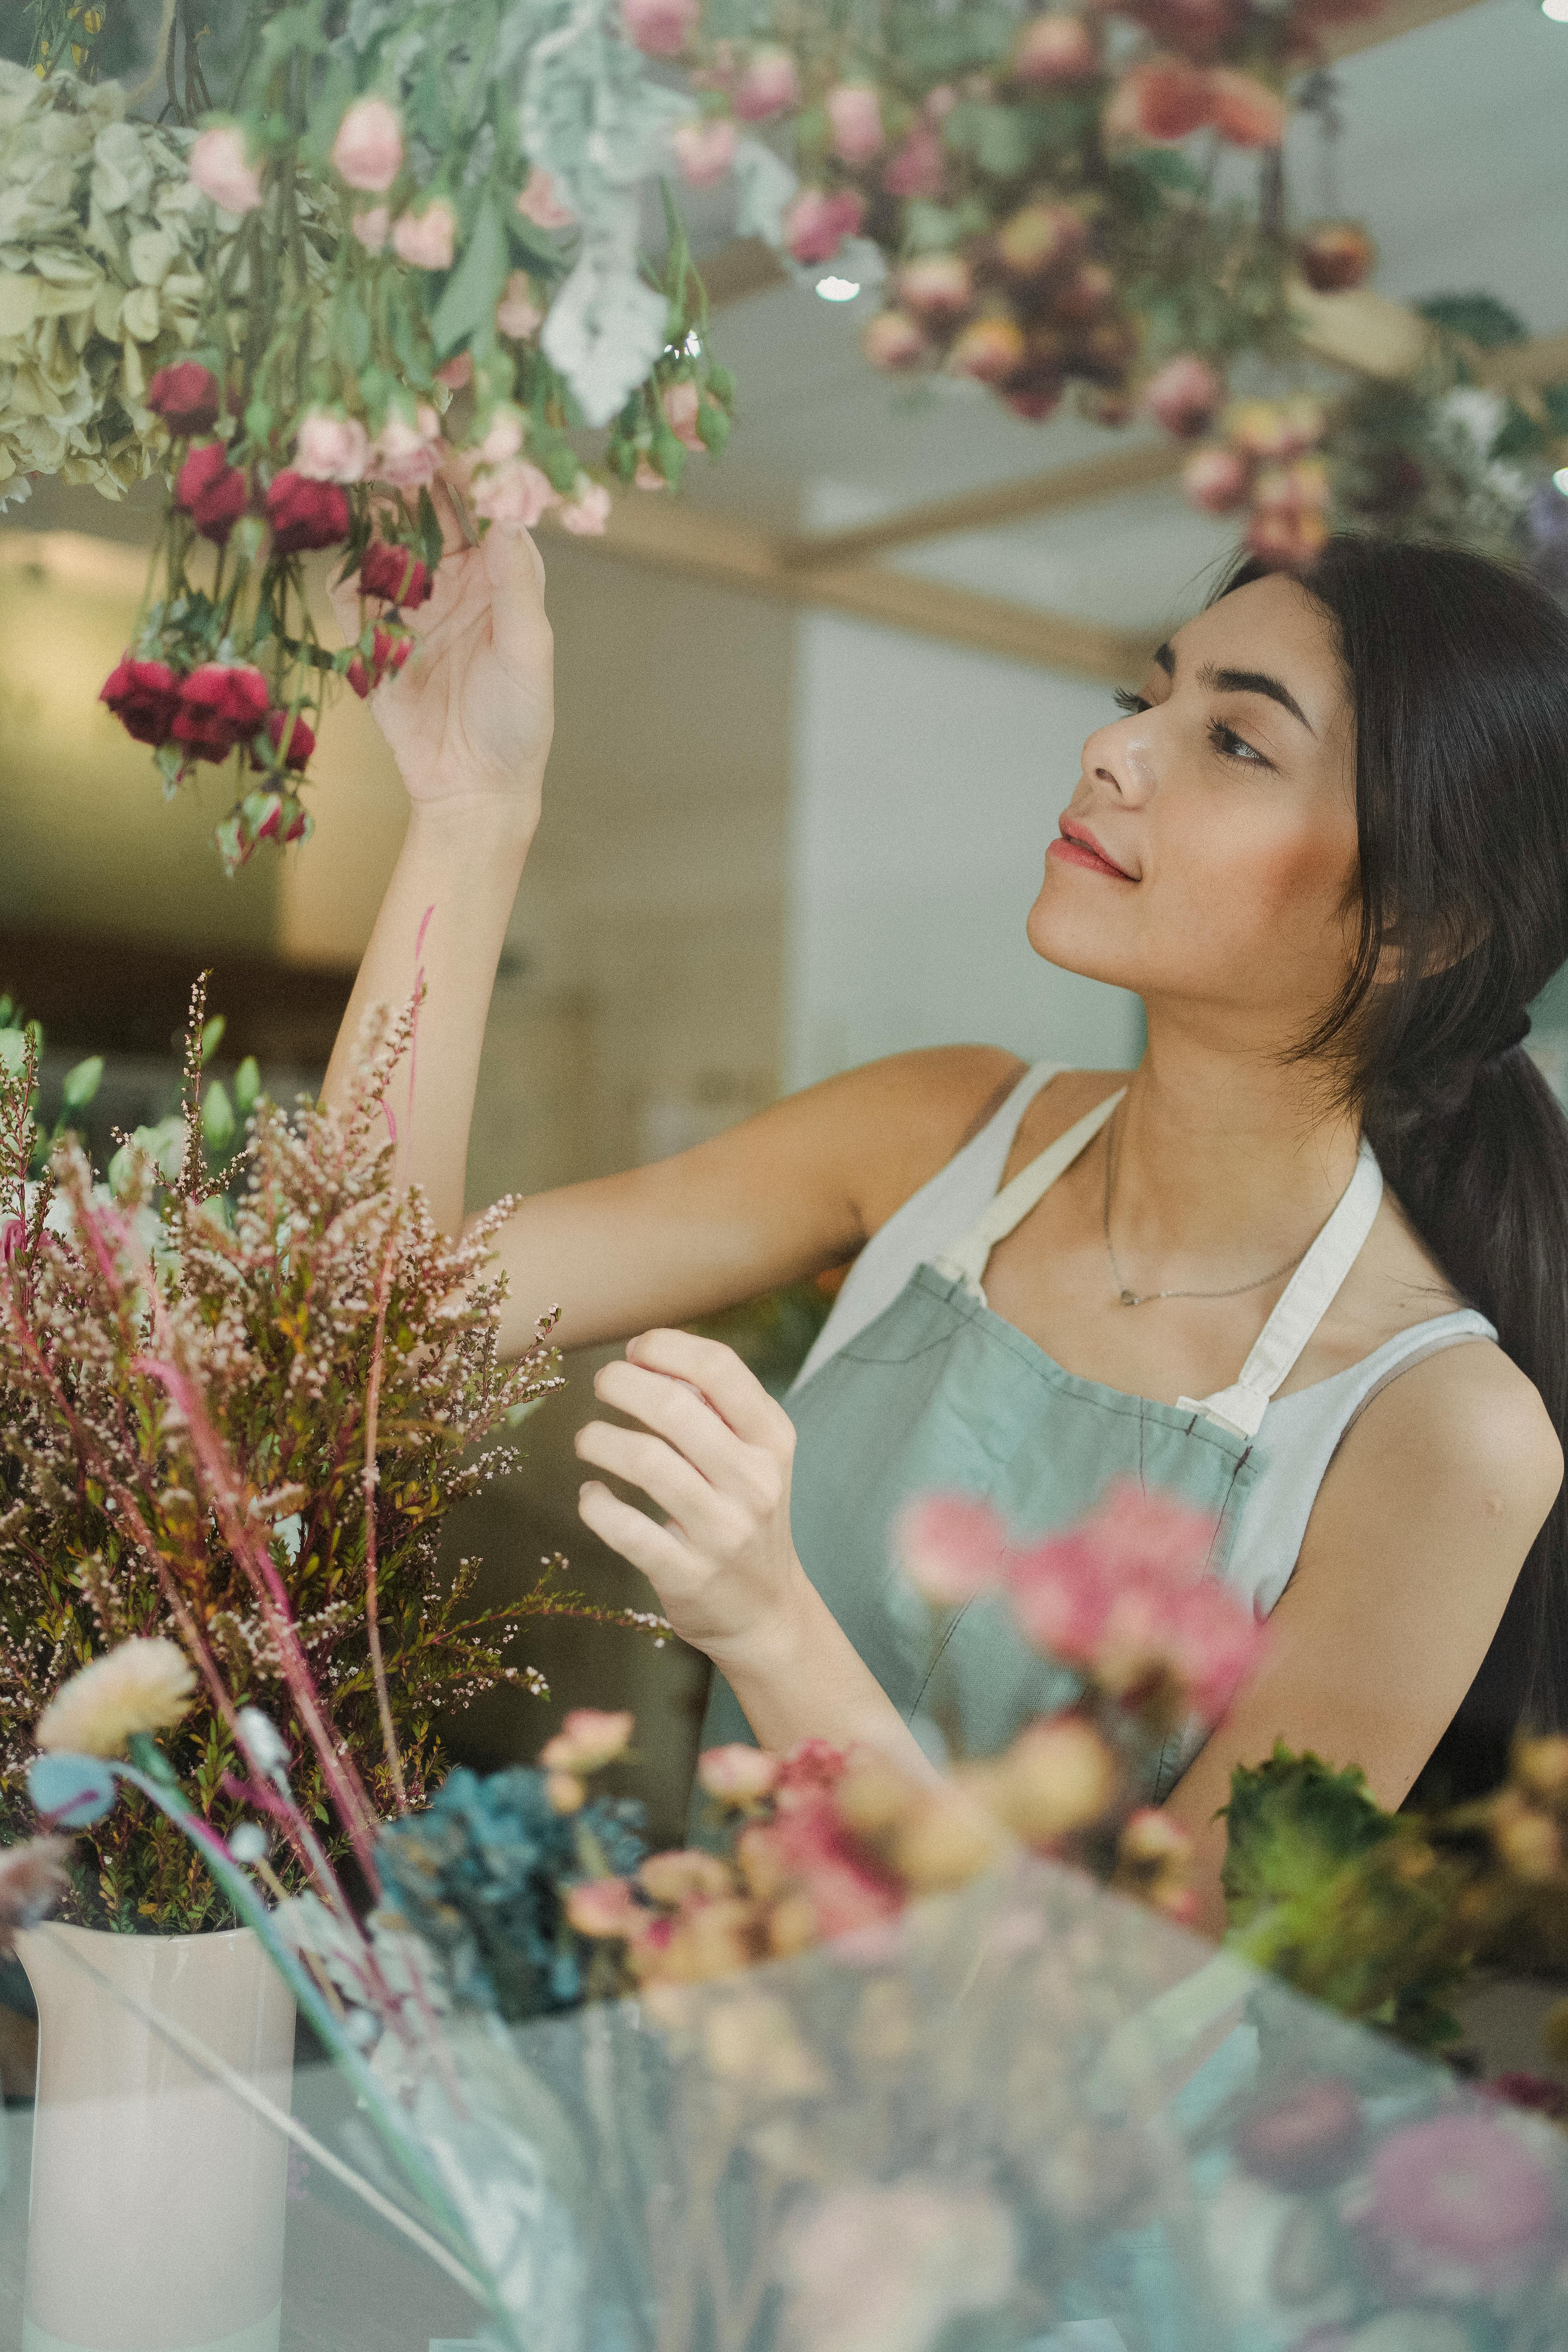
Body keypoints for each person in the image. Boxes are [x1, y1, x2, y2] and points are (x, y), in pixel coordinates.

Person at [323, 524, 1568, 1935]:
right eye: (1147, 700)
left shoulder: (1444, 1436)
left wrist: (769, 1623)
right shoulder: (944, 1130)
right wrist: (471, 809)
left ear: (1419, 925)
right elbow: (361, 1323)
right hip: (654, 2085)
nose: (1120, 751)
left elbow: (1147, 2023)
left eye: (1234, 742)